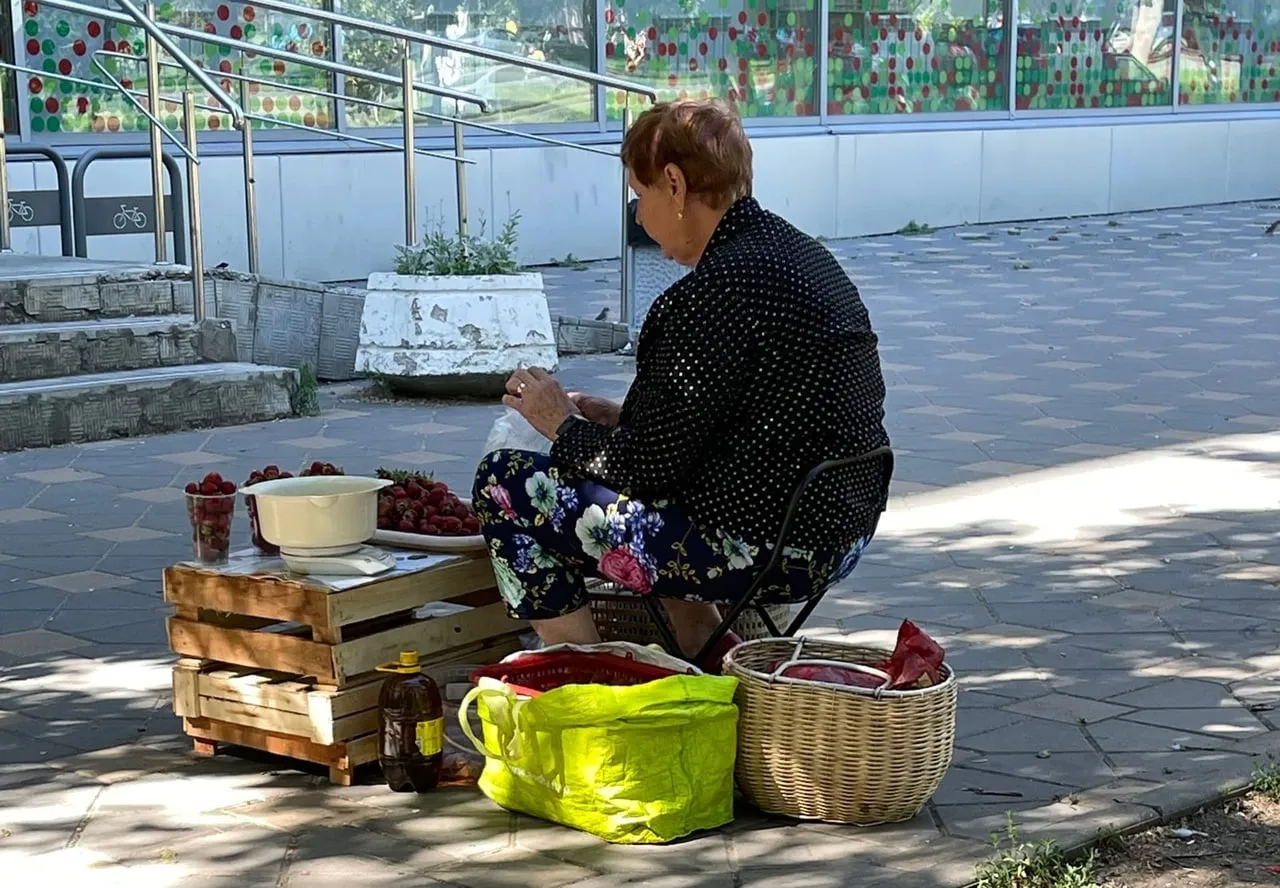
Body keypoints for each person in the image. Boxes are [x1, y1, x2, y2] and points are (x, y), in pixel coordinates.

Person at [472, 98, 890, 669]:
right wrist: (622, 418)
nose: (640, 218)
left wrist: (559, 423)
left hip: (765, 547)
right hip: (840, 531)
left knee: (505, 483)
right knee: (665, 490)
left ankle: (589, 675)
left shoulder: (709, 294)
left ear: (674, 184)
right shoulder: (803, 256)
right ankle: (709, 656)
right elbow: (736, 420)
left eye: (639, 197)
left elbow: (641, 470)